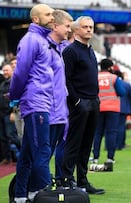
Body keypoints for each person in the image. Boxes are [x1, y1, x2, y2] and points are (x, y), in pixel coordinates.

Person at [9, 4, 54, 203]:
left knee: (27, 154)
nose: (52, 17)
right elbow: (20, 72)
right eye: (48, 14)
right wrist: (15, 96)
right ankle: (40, 194)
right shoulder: (31, 40)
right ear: (36, 19)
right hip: (36, 103)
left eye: (53, 13)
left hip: (40, 102)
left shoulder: (42, 40)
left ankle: (20, 196)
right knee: (42, 152)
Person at [61, 16, 105, 195]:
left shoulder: (90, 50)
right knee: (74, 143)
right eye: (85, 27)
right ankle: (67, 180)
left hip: (93, 101)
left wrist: (95, 99)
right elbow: (66, 79)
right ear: (76, 29)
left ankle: (83, 180)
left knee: (87, 143)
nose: (89, 30)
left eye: (91, 27)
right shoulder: (70, 51)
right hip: (80, 103)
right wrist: (76, 100)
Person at [47, 9, 73, 181]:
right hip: (47, 106)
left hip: (63, 106)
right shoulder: (43, 46)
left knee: (64, 143)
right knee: (44, 149)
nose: (69, 30)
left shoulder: (65, 48)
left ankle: (61, 178)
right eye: (67, 26)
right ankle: (31, 188)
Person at [92, 59, 125, 164]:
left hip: (98, 108)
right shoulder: (114, 78)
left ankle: (95, 157)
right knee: (111, 132)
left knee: (97, 133)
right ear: (110, 67)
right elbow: (122, 92)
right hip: (112, 108)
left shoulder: (95, 77)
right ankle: (110, 157)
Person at [0, 64, 20, 165]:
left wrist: (13, 111)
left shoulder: (13, 82)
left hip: (9, 113)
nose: (5, 72)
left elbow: (15, 97)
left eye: (7, 70)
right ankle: (7, 158)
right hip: (1, 114)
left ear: (11, 71)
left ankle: (20, 155)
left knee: (12, 136)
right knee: (3, 137)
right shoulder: (3, 83)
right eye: (4, 71)